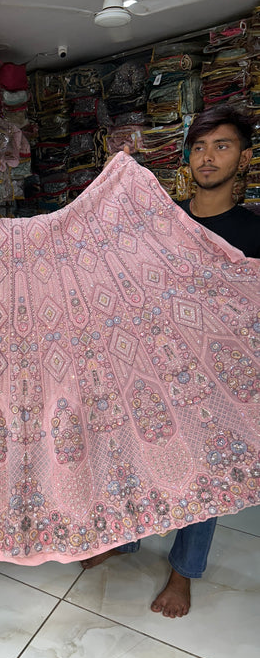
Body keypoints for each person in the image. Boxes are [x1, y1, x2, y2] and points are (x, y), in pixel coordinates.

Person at [81, 105, 259, 617]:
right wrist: (117, 185)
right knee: (134, 453)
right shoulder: (162, 221)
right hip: (152, 366)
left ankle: (184, 572)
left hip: (218, 379)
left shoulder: (252, 233)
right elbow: (114, 264)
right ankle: (126, 538)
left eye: (221, 146)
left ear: (243, 158)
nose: (207, 158)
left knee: (207, 472)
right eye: (199, 147)